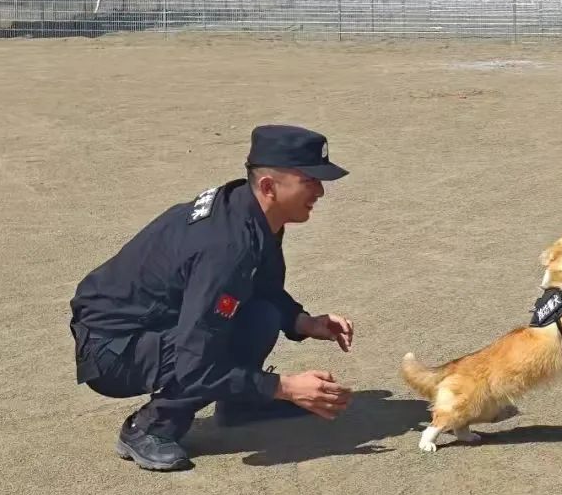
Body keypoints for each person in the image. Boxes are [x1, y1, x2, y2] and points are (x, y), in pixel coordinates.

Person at [69, 125, 356, 472]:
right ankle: (148, 428)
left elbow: (261, 288)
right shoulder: (226, 247)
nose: (321, 191)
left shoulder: (251, 211)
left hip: (151, 322)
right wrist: (284, 387)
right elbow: (196, 364)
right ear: (269, 187)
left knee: (262, 314)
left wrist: (304, 322)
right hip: (112, 348)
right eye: (309, 180)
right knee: (213, 345)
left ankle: (242, 404)